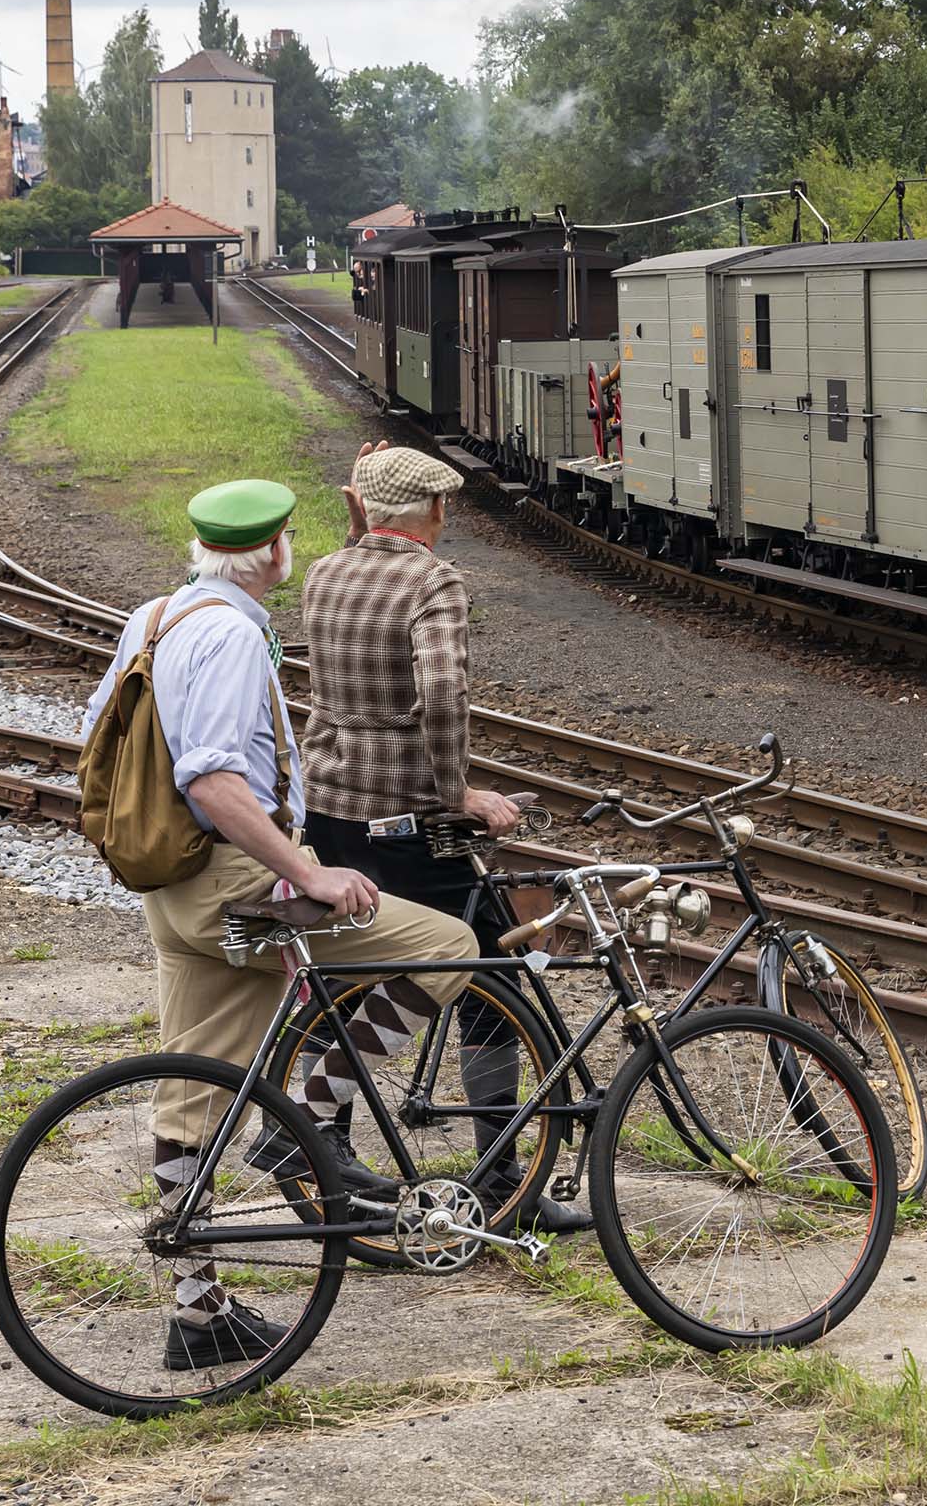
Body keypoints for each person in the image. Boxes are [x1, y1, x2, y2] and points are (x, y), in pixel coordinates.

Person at [82, 477, 479, 1372]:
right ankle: (303, 1113)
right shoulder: (228, 633)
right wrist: (310, 873)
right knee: (449, 946)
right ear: (271, 552)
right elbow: (214, 780)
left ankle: (199, 1314)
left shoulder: (159, 615)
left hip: (172, 886)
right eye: (290, 537)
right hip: (234, 886)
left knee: (192, 1090)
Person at [294, 444, 595, 1234]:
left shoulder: (325, 575)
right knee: (490, 980)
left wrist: (356, 516)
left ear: (362, 508)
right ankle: (502, 1183)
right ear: (433, 512)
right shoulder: (432, 581)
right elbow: (443, 693)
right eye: (443, 505)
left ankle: (316, 1138)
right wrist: (455, 791)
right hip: (403, 820)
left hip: (329, 814)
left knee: (352, 973)